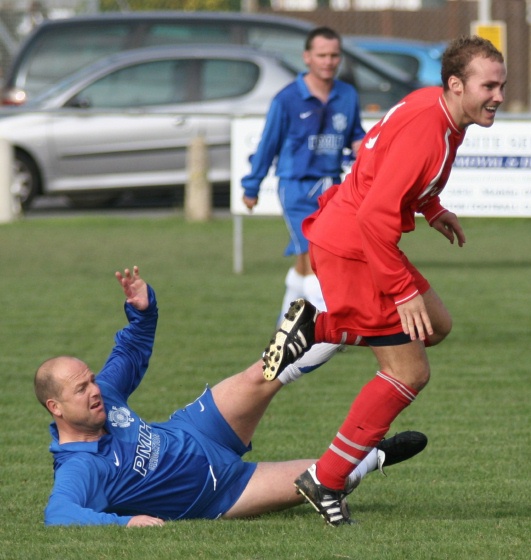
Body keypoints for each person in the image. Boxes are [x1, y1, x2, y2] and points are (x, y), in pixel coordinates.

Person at [262, 36, 507, 525]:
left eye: (502, 85)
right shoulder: (428, 128)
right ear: (457, 85)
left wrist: (431, 208)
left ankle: (320, 329)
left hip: (358, 238)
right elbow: (376, 214)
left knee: (436, 324)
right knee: (409, 372)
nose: (499, 95)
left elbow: (386, 171)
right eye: (490, 86)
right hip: (356, 246)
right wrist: (401, 288)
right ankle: (326, 479)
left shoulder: (439, 110)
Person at [34, 266, 427, 527]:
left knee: (265, 371)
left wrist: (143, 309)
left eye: (91, 380)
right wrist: (125, 522)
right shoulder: (78, 467)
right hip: (221, 491)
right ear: (56, 408)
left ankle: (340, 323)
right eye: (81, 388)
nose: (95, 390)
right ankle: (376, 456)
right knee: (325, 478)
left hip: (198, 429)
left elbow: (131, 351)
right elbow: (59, 514)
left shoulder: (106, 396)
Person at [241, 26, 366, 319]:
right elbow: (268, 144)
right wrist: (252, 186)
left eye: (334, 55)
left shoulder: (347, 95)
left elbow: (355, 134)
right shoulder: (286, 99)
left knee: (310, 256)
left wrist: (365, 148)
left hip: (332, 187)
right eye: (321, 55)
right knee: (315, 253)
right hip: (295, 187)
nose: (328, 61)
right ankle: (327, 326)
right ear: (307, 57)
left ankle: (283, 327)